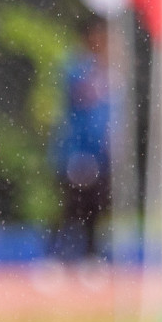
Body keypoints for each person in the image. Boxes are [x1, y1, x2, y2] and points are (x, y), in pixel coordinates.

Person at [50, 15, 111, 262]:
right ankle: (55, 255)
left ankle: (91, 254)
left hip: (101, 152)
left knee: (96, 207)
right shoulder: (77, 68)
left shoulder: (108, 70)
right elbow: (79, 106)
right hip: (77, 150)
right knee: (70, 205)